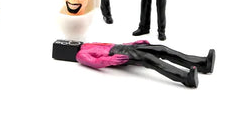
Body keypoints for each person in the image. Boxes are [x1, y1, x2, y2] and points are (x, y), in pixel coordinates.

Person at [76, 41, 215, 88]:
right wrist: (110, 60)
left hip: (123, 47)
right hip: (117, 54)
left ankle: (202, 63)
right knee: (149, 60)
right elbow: (94, 62)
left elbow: (112, 44)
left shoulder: (88, 44)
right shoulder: (80, 54)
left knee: (162, 49)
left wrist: (133, 43)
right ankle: (186, 78)